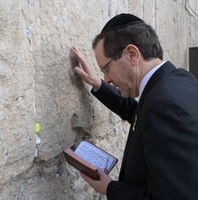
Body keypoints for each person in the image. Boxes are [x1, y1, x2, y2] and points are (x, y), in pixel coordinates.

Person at [72, 13, 198, 200]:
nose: (107, 78)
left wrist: (110, 189)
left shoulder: (162, 106)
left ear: (132, 55)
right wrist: (99, 85)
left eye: (106, 69)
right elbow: (140, 115)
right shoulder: (179, 80)